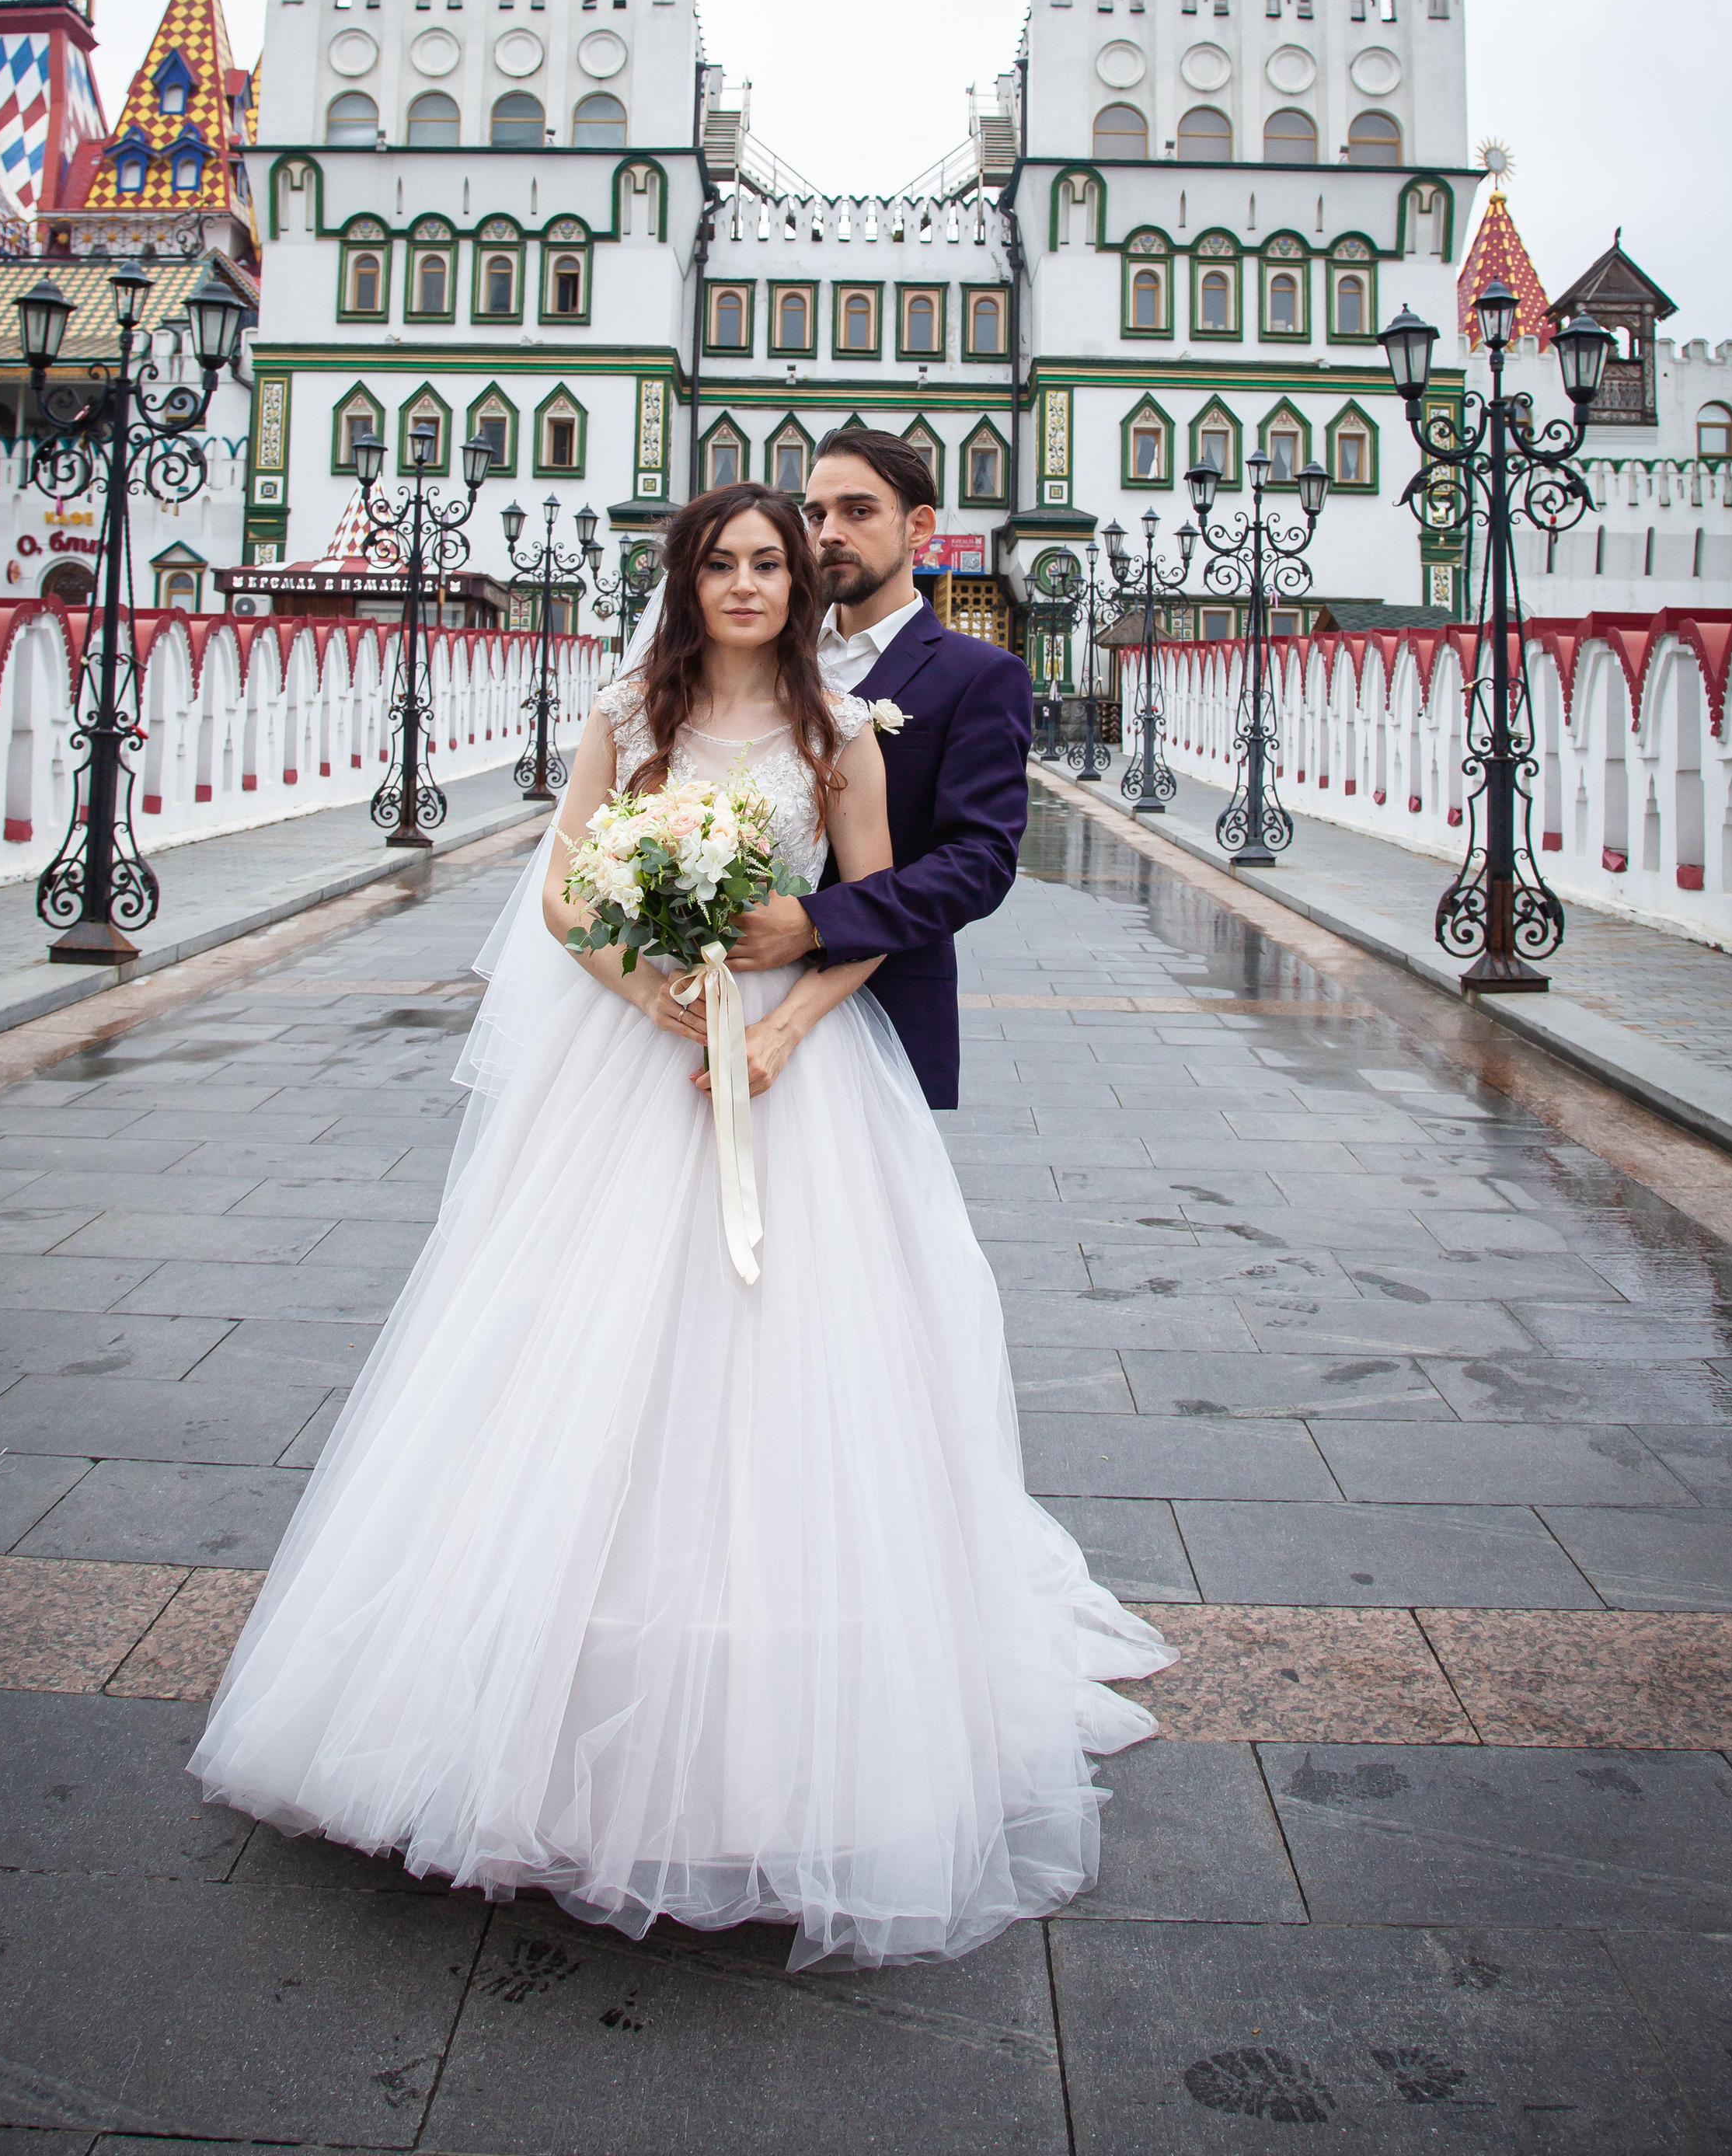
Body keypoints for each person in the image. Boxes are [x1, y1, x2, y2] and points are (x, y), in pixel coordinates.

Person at [188, 482, 1172, 1969]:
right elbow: (566, 892)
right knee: (573, 1352)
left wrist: (781, 1034)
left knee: (788, 1354)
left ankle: (774, 1718)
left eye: (773, 562)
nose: (750, 583)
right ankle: (534, 1699)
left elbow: (880, 899)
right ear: (687, 577)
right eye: (723, 561)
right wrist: (645, 989)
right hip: (633, 1061)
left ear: (800, 583)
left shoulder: (849, 733)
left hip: (796, 1069)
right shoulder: (623, 717)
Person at [730, 427, 1033, 1109]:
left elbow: (978, 862)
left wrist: (813, 922)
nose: (829, 532)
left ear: (918, 527)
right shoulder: (760, 658)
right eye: (815, 514)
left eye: (858, 511)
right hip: (730, 991)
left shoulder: (979, 676)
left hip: (881, 1003)